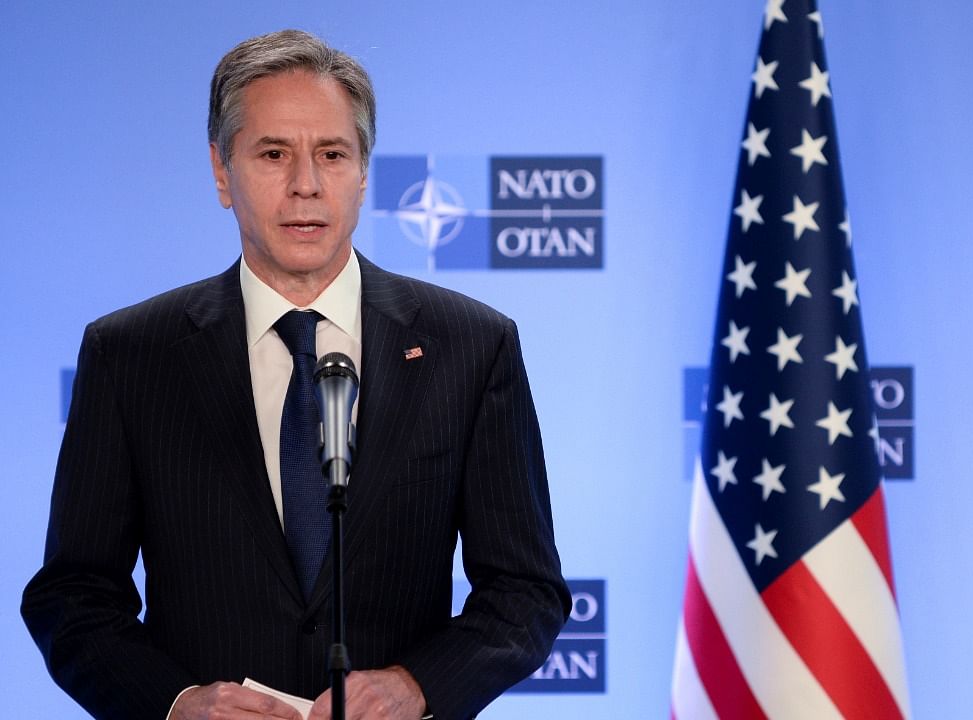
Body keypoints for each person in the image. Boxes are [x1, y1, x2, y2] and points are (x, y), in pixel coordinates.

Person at [21, 29, 569, 720]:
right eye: (273, 153)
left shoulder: (471, 346)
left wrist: (419, 683)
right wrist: (175, 702)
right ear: (222, 172)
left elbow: (526, 590)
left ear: (364, 172)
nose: (306, 184)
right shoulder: (131, 354)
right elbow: (73, 594)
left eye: (332, 155)